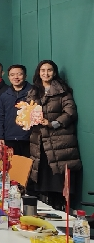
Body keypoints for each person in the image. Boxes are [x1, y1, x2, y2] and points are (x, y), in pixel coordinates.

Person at [27, 60, 81, 206]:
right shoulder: (33, 91)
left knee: (57, 179)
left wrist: (52, 123)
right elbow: (27, 111)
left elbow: (70, 113)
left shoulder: (63, 91)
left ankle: (59, 208)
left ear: (54, 72)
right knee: (42, 177)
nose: (46, 73)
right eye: (43, 70)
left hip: (59, 141)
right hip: (39, 141)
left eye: (49, 70)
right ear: (38, 73)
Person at [0, 65, 32, 157]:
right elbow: (0, 118)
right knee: (11, 165)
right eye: (12, 75)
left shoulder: (34, 92)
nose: (16, 77)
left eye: (19, 74)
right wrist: (0, 136)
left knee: (28, 164)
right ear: (8, 77)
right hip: (10, 138)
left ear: (25, 76)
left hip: (29, 138)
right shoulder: (4, 95)